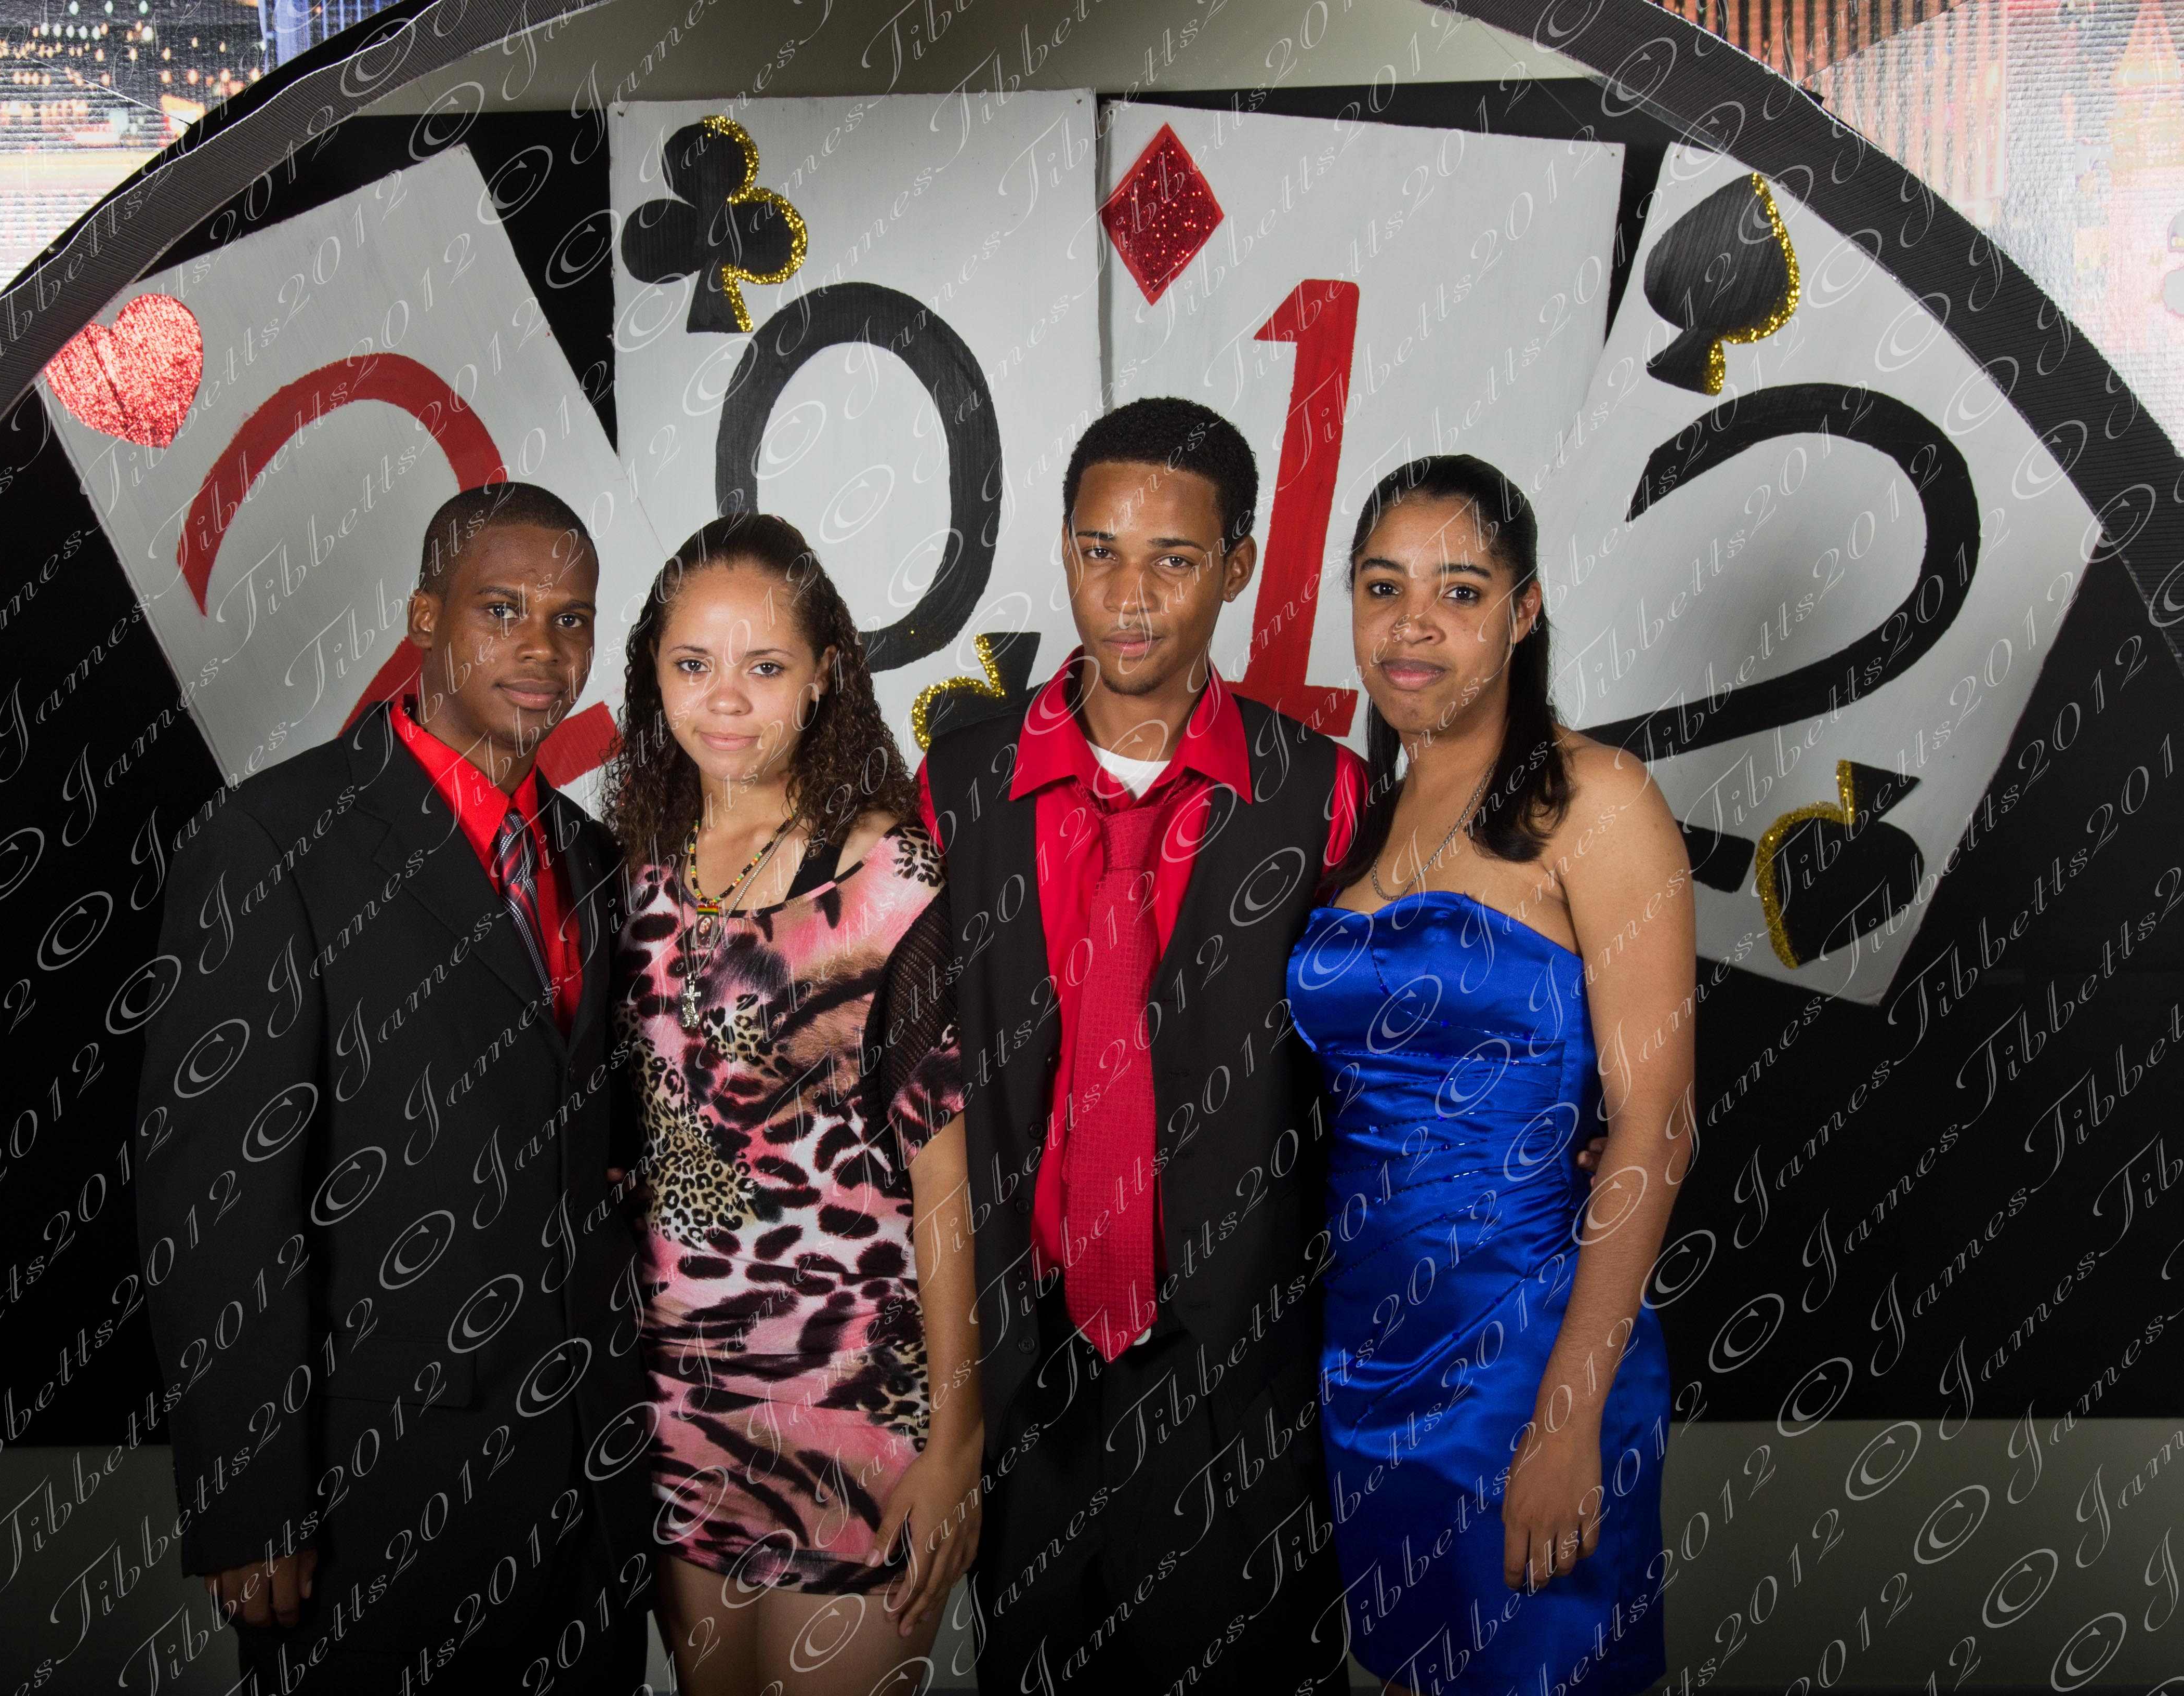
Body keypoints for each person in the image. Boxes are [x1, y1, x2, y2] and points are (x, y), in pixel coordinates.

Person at [134, 481, 656, 1693]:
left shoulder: (592, 860)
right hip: (379, 1495)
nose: (542, 649)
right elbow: (216, 1204)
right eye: (502, 609)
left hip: (588, 1491)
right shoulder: (276, 841)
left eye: (571, 619)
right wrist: (247, 1501)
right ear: (425, 616)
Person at [913, 396, 1371, 1692]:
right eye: (1097, 551)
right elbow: (916, 1082)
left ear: (1237, 565)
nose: (1127, 597)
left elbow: (1377, 1070)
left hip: (1236, 1366)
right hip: (1029, 1363)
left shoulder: (1321, 791)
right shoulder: (958, 784)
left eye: (1173, 560)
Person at [1288, 455, 1689, 1694]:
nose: (1413, 624)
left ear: (1523, 612)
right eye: (1383, 587)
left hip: (1527, 1353)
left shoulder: (1596, 799)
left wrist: (1567, 1418)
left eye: (1458, 591)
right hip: (1367, 1356)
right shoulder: (1361, 815)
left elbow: (1655, 1126)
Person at [603, 512, 981, 1696]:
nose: (726, 699)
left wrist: (956, 1442)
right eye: (693, 664)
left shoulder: (887, 878)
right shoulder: (627, 867)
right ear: (652, 671)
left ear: (824, 675)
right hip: (677, 1403)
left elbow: (947, 1184)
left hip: (855, 1402)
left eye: (764, 666)